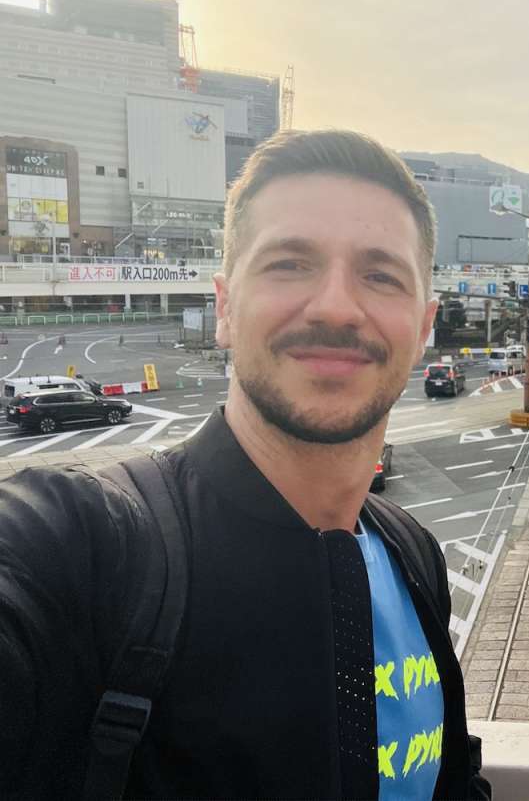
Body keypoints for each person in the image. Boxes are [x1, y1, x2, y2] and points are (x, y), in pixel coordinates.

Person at [0, 131, 490, 800]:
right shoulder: (84, 545)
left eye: (381, 275)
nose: (337, 307)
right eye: (290, 264)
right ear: (225, 307)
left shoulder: (413, 557)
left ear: (425, 322)